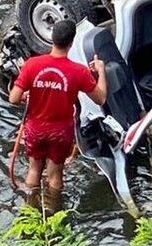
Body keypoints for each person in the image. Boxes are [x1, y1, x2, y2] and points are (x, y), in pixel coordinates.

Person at [8, 20, 108, 191]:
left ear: (52, 39)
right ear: (71, 43)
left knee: (33, 171)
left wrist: (27, 94)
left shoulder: (32, 64)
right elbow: (101, 99)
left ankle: (30, 212)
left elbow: (13, 99)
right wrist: (101, 71)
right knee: (55, 177)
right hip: (60, 132)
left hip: (35, 130)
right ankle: (54, 212)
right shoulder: (79, 71)